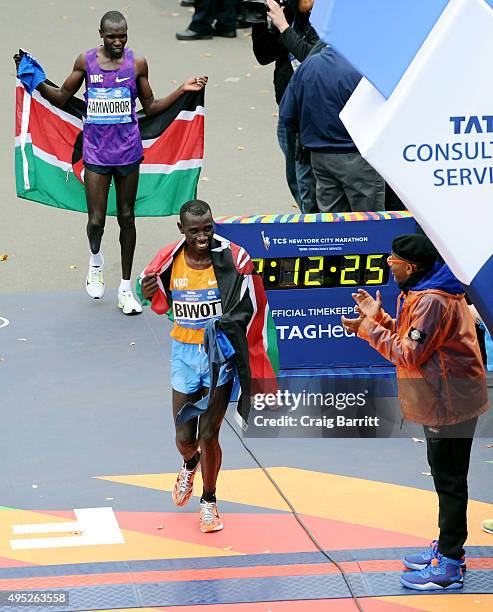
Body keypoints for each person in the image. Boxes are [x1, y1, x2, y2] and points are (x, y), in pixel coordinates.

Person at [15, 11, 207, 315]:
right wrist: (33, 78)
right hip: (95, 153)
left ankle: (125, 288)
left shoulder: (137, 64)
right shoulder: (86, 62)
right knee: (96, 220)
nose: (118, 42)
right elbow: (62, 97)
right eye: (112, 37)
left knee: (128, 218)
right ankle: (95, 261)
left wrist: (183, 90)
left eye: (123, 36)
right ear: (101, 35)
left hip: (129, 152)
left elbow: (152, 107)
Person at [342, 234, 488, 590]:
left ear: (410, 266)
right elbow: (416, 339)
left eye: (392, 260)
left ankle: (451, 563)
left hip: (449, 403)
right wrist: (381, 320)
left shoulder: (432, 300)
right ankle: (448, 548)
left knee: (450, 482)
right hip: (444, 398)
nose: (388, 265)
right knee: (446, 479)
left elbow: (408, 354)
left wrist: (367, 329)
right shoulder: (424, 292)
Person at [139, 200, 278, 532]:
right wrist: (147, 291)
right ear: (182, 230)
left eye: (207, 229)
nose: (202, 237)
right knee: (185, 437)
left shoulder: (234, 257)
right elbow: (156, 298)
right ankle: (190, 463)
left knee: (209, 433)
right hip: (185, 355)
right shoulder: (167, 260)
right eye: (194, 231)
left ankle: (209, 501)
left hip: (221, 356)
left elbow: (254, 303)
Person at [280, 45, 385, 213]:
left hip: (320, 157)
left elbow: (287, 115)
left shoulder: (308, 66)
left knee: (333, 223)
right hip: (357, 156)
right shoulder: (364, 68)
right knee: (368, 222)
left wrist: (304, 136)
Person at [252, 0, 319, 213]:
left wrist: (283, 27)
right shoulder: (288, 11)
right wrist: (261, 19)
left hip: (314, 113)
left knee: (307, 182)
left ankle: (317, 232)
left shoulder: (325, 19)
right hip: (288, 108)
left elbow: (315, 60)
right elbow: (264, 55)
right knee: (296, 180)